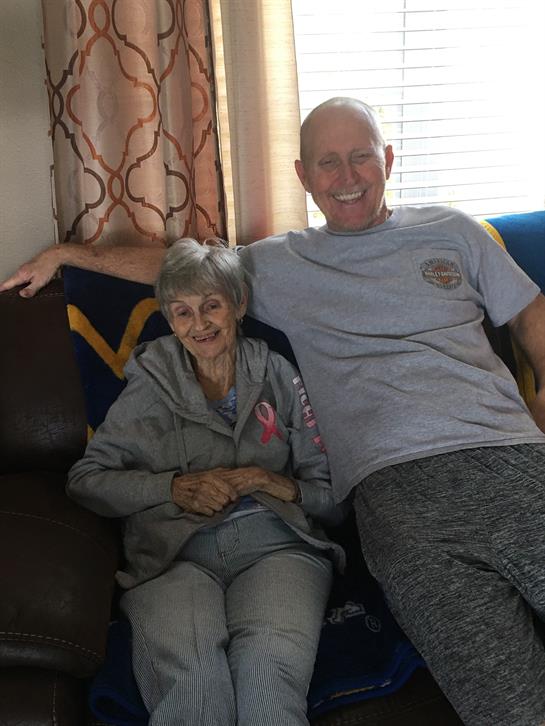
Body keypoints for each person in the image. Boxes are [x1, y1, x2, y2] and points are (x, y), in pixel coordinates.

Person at [3, 97, 545, 725]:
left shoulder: (453, 231)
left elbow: (530, 314)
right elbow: (184, 272)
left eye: (362, 157)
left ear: (389, 160)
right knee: (507, 700)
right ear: (302, 176)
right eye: (328, 163)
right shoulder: (279, 264)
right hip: (394, 489)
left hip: (511, 457)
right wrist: (71, 255)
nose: (347, 177)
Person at [66, 239, 345, 726]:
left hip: (277, 546)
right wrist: (173, 488)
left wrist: (273, 483)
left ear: (238, 304)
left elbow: (333, 501)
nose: (200, 324)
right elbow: (86, 481)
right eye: (182, 312)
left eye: (212, 305)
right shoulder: (151, 383)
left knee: (267, 678)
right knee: (196, 689)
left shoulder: (278, 374)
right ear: (169, 320)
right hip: (173, 557)